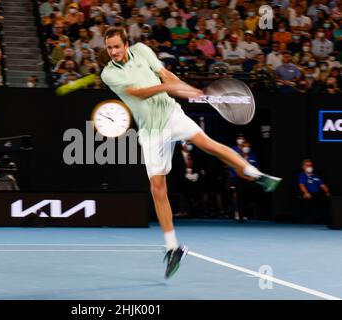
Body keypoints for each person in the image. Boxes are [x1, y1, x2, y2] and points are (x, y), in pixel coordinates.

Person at [100, 27, 282, 279]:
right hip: (151, 132)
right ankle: (173, 247)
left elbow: (165, 73)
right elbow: (139, 93)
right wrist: (169, 87)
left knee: (208, 144)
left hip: (172, 114)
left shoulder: (142, 51)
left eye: (116, 46)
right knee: (157, 188)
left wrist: (185, 88)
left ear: (127, 44)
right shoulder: (108, 73)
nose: (113, 52)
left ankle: (256, 174)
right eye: (109, 48)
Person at [298, 159, 331, 223]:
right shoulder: (302, 175)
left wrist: (327, 192)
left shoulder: (316, 176)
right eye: (307, 165)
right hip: (307, 193)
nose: (309, 166)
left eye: (310, 165)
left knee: (324, 201)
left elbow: (323, 185)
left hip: (316, 193)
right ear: (303, 167)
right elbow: (301, 185)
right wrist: (306, 193)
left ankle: (322, 219)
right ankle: (306, 220)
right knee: (306, 199)